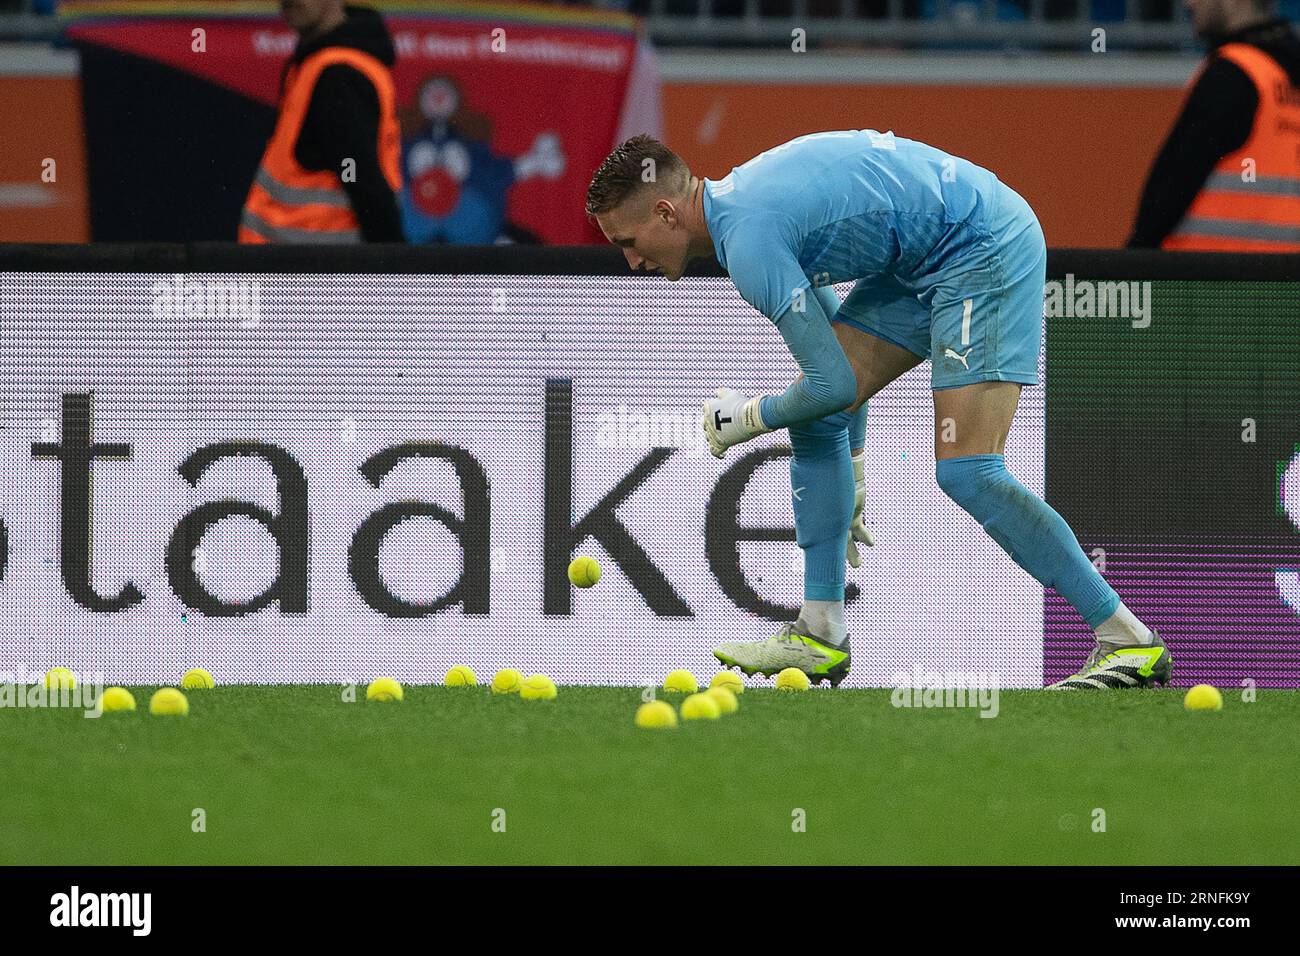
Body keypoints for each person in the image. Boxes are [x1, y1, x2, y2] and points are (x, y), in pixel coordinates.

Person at [586, 131, 1172, 691]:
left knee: (969, 470)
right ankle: (819, 633)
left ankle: (1126, 641)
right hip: (922, 261)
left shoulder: (749, 243)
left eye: (627, 242)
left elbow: (832, 380)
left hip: (983, 246)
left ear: (665, 213)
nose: (630, 260)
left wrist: (746, 418)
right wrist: (854, 462)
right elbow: (835, 384)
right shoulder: (742, 217)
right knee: (818, 422)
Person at [1129, 0, 1300, 250]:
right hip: (1282, 284)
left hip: (1208, 281)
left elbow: (1169, 192)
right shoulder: (1283, 75)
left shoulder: (1231, 76)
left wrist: (1132, 263)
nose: (1187, 3)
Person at [240, 1, 403, 243]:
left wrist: (393, 267)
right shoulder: (317, 62)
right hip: (306, 263)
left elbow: (363, 182)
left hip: (322, 267)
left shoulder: (337, 75)